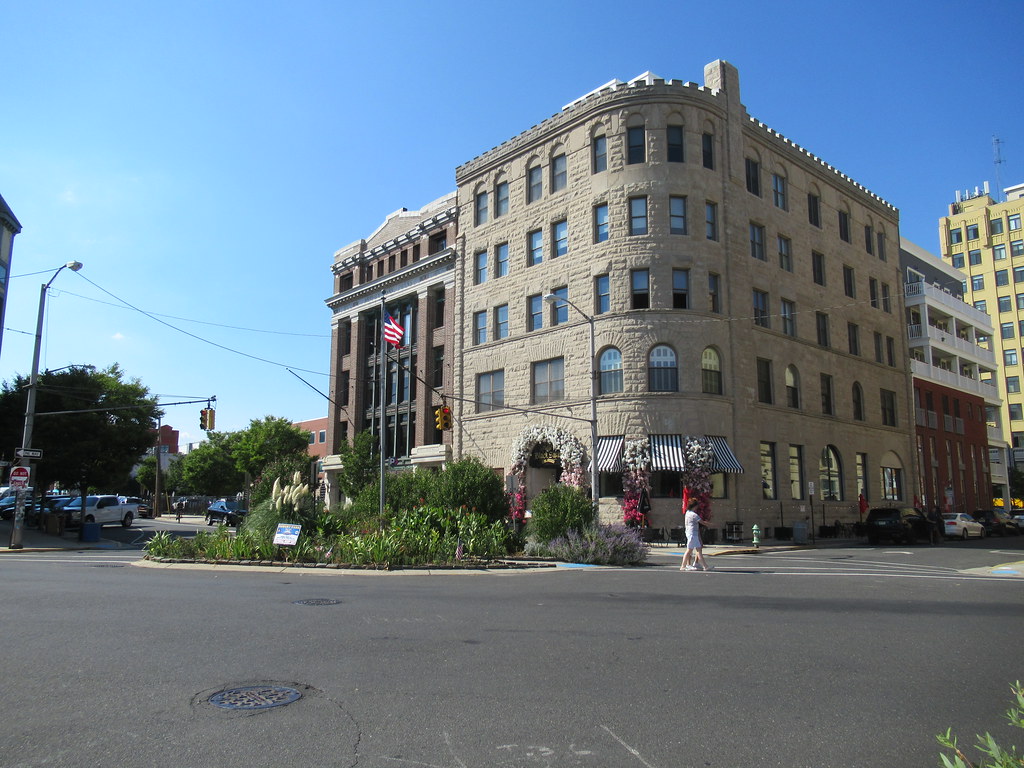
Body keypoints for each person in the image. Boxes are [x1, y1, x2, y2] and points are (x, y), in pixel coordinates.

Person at [680, 496, 712, 572]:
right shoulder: (694, 515)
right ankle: (683, 566)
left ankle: (705, 566)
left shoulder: (687, 513)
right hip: (692, 534)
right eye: (696, 506)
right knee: (691, 550)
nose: (697, 507)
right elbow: (702, 522)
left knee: (698, 550)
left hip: (690, 533)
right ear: (694, 506)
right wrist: (710, 524)